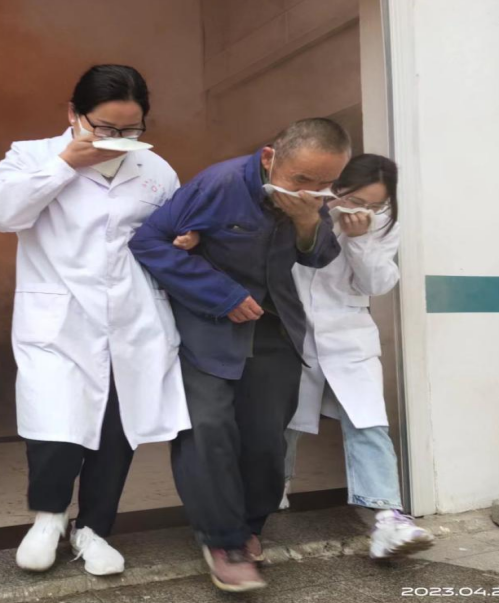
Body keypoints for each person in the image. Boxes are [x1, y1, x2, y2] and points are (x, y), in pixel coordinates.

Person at [0, 65, 191, 576]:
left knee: (118, 426)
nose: (119, 139)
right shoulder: (31, 155)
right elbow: (1, 213)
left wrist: (188, 239)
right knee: (55, 422)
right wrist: (64, 165)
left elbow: (170, 233)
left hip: (134, 319)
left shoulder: (157, 170)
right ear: (74, 113)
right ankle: (49, 518)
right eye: (106, 128)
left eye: (131, 129)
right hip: (59, 319)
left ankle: (94, 527)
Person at [129, 118, 347, 592]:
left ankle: (249, 526)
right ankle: (222, 540)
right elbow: (148, 241)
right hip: (209, 325)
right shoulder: (219, 184)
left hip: (273, 327)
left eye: (323, 184)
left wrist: (307, 220)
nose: (309, 191)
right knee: (208, 429)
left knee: (267, 437)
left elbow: (319, 256)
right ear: (270, 158)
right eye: (300, 180)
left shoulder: (313, 200)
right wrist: (220, 293)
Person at [279, 154, 434, 558]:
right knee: (282, 422)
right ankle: (270, 496)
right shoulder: (303, 206)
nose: (362, 210)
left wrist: (361, 241)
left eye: (375, 204)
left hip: (349, 336)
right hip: (291, 331)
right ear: (337, 186)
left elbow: (378, 283)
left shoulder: (384, 225)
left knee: (368, 422)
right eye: (354, 200)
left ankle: (387, 519)